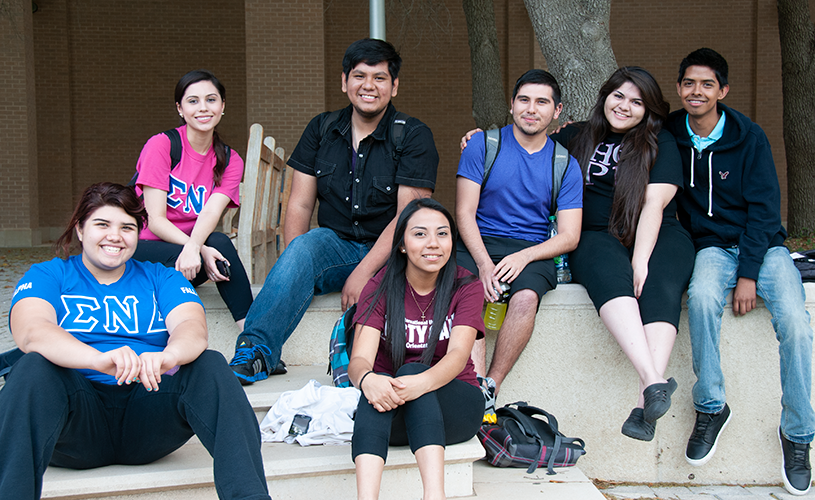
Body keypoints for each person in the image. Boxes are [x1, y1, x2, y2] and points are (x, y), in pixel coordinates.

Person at [0, 183, 270, 500]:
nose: (115, 236)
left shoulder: (162, 276)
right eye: (102, 224)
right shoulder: (48, 275)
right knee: (31, 367)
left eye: (127, 227)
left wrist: (169, 356)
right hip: (73, 421)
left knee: (210, 363)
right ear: (81, 230)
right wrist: (95, 359)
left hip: (149, 412)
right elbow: (33, 331)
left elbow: (191, 329)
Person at [229, 38, 439, 384]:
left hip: (392, 252)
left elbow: (409, 218)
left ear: (394, 86)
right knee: (303, 247)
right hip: (335, 246)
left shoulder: (413, 135)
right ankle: (256, 352)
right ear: (344, 82)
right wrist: (295, 267)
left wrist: (363, 273)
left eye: (380, 77)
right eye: (359, 76)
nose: (368, 86)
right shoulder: (322, 129)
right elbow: (298, 203)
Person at [664, 48, 814, 495]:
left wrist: (748, 274)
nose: (697, 91)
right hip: (710, 247)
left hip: (763, 247)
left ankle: (799, 434)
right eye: (689, 83)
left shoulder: (749, 137)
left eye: (707, 84)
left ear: (723, 91)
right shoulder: (672, 131)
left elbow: (767, 212)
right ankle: (711, 406)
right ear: (679, 88)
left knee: (794, 320)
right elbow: (615, 126)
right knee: (704, 299)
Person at [548, 67, 695, 441]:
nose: (625, 107)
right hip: (596, 235)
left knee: (659, 284)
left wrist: (641, 260)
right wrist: (478, 139)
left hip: (658, 232)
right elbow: (525, 142)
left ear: (648, 110)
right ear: (604, 96)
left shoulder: (661, 142)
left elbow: (653, 204)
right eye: (619, 96)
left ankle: (647, 398)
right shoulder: (573, 135)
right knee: (610, 278)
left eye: (637, 102)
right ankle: (652, 385)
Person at [456, 69, 583, 419]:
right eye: (524, 100)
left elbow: (570, 236)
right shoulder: (484, 145)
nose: (532, 108)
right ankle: (473, 386)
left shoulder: (565, 164)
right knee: (470, 291)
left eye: (542, 102)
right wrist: (483, 265)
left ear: (556, 111)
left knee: (526, 298)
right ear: (511, 105)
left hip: (531, 248)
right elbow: (464, 213)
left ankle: (490, 388)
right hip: (478, 241)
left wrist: (523, 257)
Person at [349, 197, 484, 500]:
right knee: (374, 390)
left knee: (408, 372)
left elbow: (458, 356)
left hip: (457, 406)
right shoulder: (380, 286)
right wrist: (368, 380)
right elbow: (359, 360)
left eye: (442, 233)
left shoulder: (466, 285)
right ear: (401, 244)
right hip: (397, 410)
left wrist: (415, 383)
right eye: (420, 234)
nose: (433, 243)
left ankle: (434, 495)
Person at [132, 69, 253, 332]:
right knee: (215, 248)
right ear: (180, 108)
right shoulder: (161, 145)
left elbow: (211, 213)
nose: (203, 108)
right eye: (193, 101)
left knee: (219, 243)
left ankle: (252, 337)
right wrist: (198, 248)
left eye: (211, 100)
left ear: (222, 107)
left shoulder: (230, 160)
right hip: (142, 253)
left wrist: (195, 248)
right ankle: (254, 336)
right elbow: (155, 220)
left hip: (186, 258)